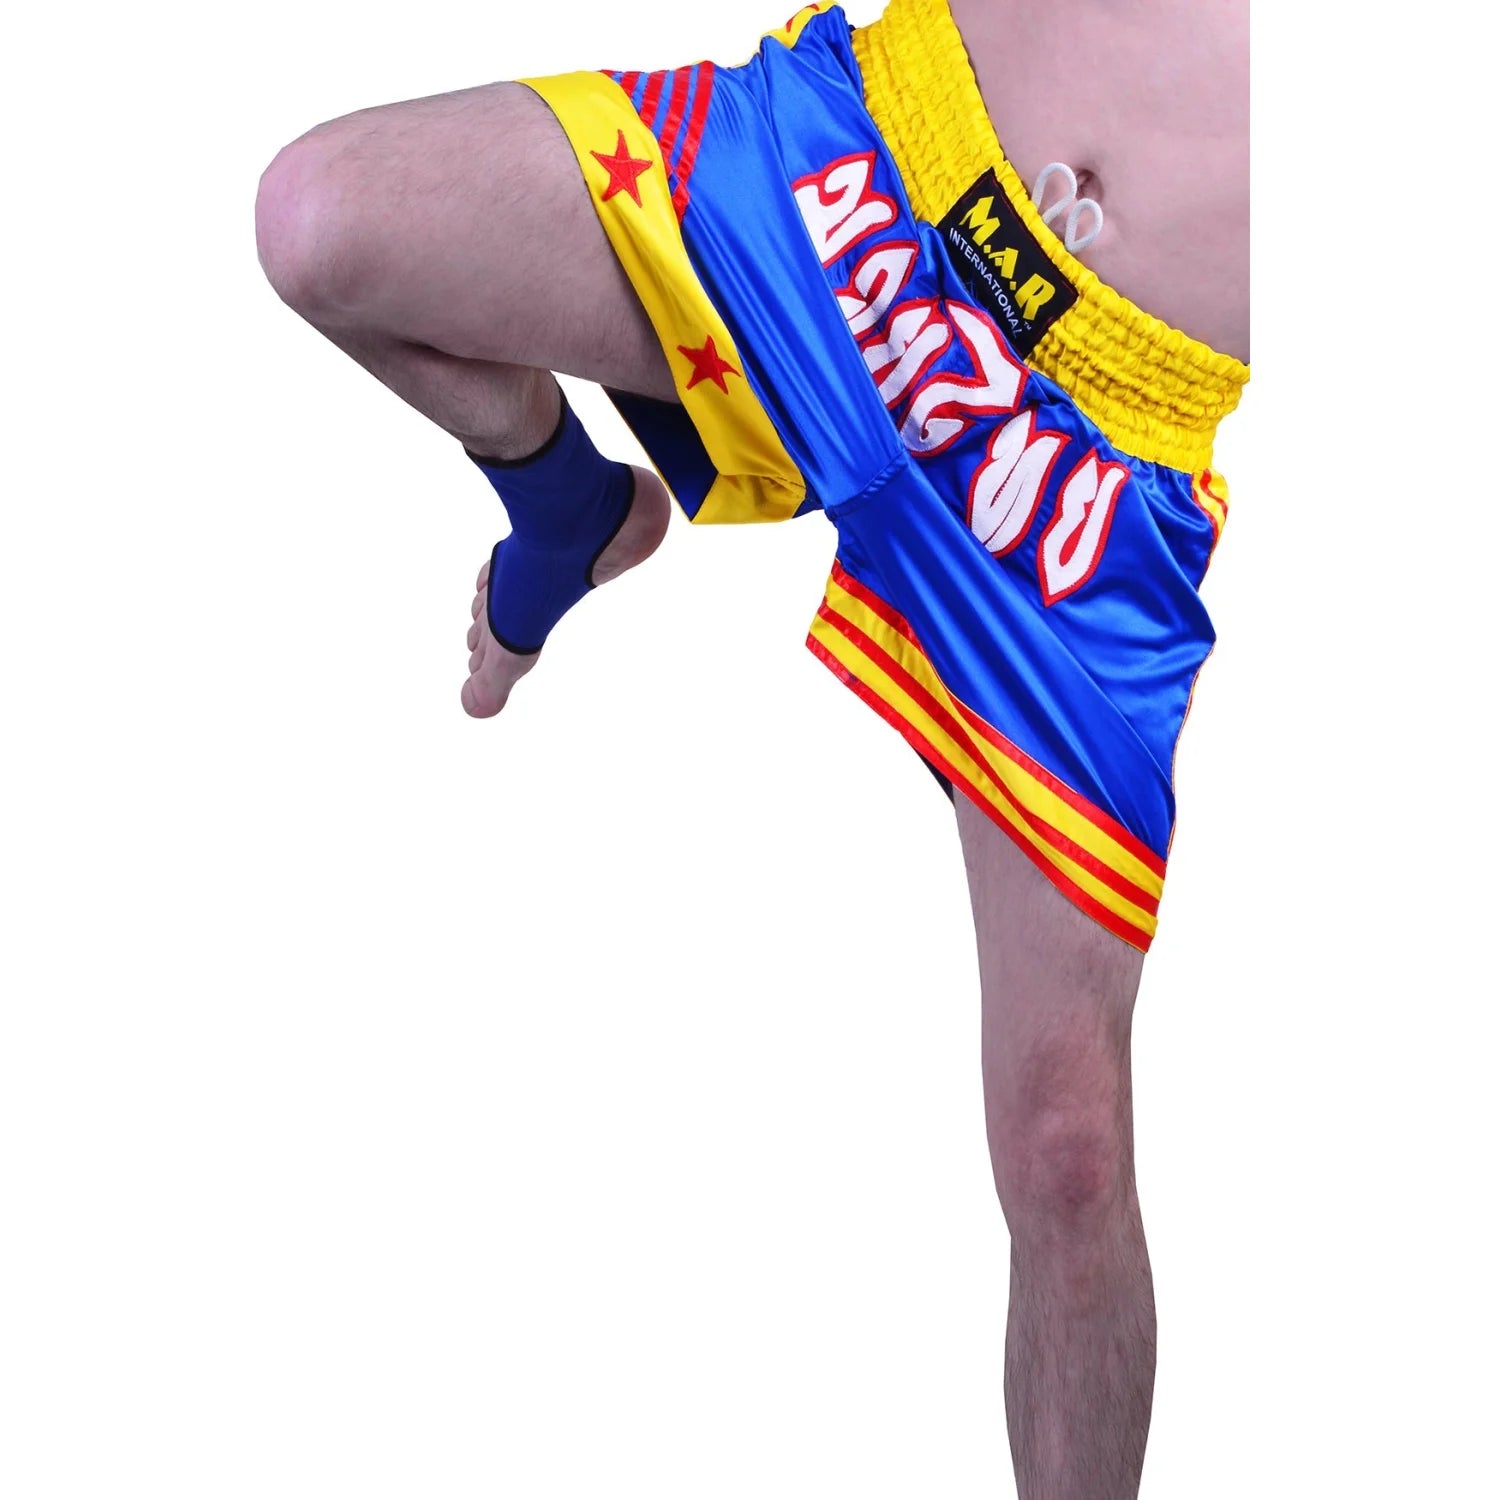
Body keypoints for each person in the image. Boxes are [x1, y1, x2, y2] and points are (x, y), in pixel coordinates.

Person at [253, 0, 1248, 1492]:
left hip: (1086, 475)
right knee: (321, 222)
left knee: (1067, 1147)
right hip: (859, 179)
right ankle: (565, 508)